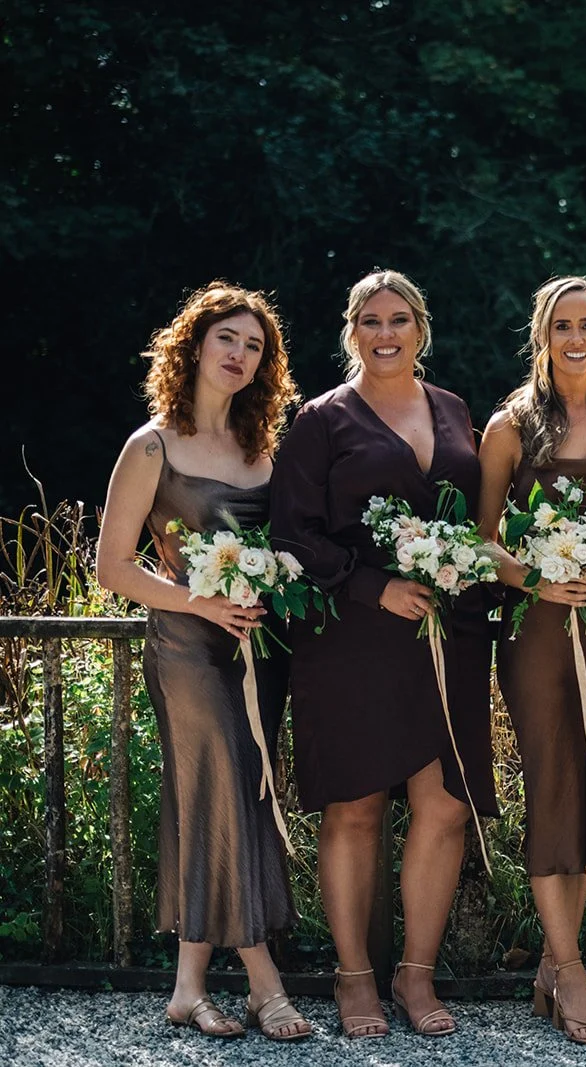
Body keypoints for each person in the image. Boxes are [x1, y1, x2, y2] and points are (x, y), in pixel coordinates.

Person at [270, 270, 496, 1039]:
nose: (386, 331)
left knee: (445, 803)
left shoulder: (455, 409)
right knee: (357, 804)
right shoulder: (321, 420)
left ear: (421, 326)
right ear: (351, 330)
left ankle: (415, 974)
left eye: (399, 317)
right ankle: (353, 976)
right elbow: (293, 533)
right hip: (354, 639)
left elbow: (476, 515)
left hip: (449, 637)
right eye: (371, 319)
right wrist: (374, 586)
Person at [95, 282, 309, 1040]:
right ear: (193, 343)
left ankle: (188, 986)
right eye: (229, 338)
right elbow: (113, 567)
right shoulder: (150, 444)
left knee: (226, 797)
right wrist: (201, 603)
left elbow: (285, 542)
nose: (241, 355)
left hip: (258, 649)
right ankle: (265, 982)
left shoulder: (262, 449)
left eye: (255, 346)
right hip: (188, 649)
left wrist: (275, 580)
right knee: (230, 792)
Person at [478, 276, 586, 1045]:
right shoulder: (511, 426)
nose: (575, 338)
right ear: (542, 336)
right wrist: (535, 575)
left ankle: (554, 963)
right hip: (541, 631)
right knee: (553, 785)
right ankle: (572, 973)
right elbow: (484, 541)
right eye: (561, 326)